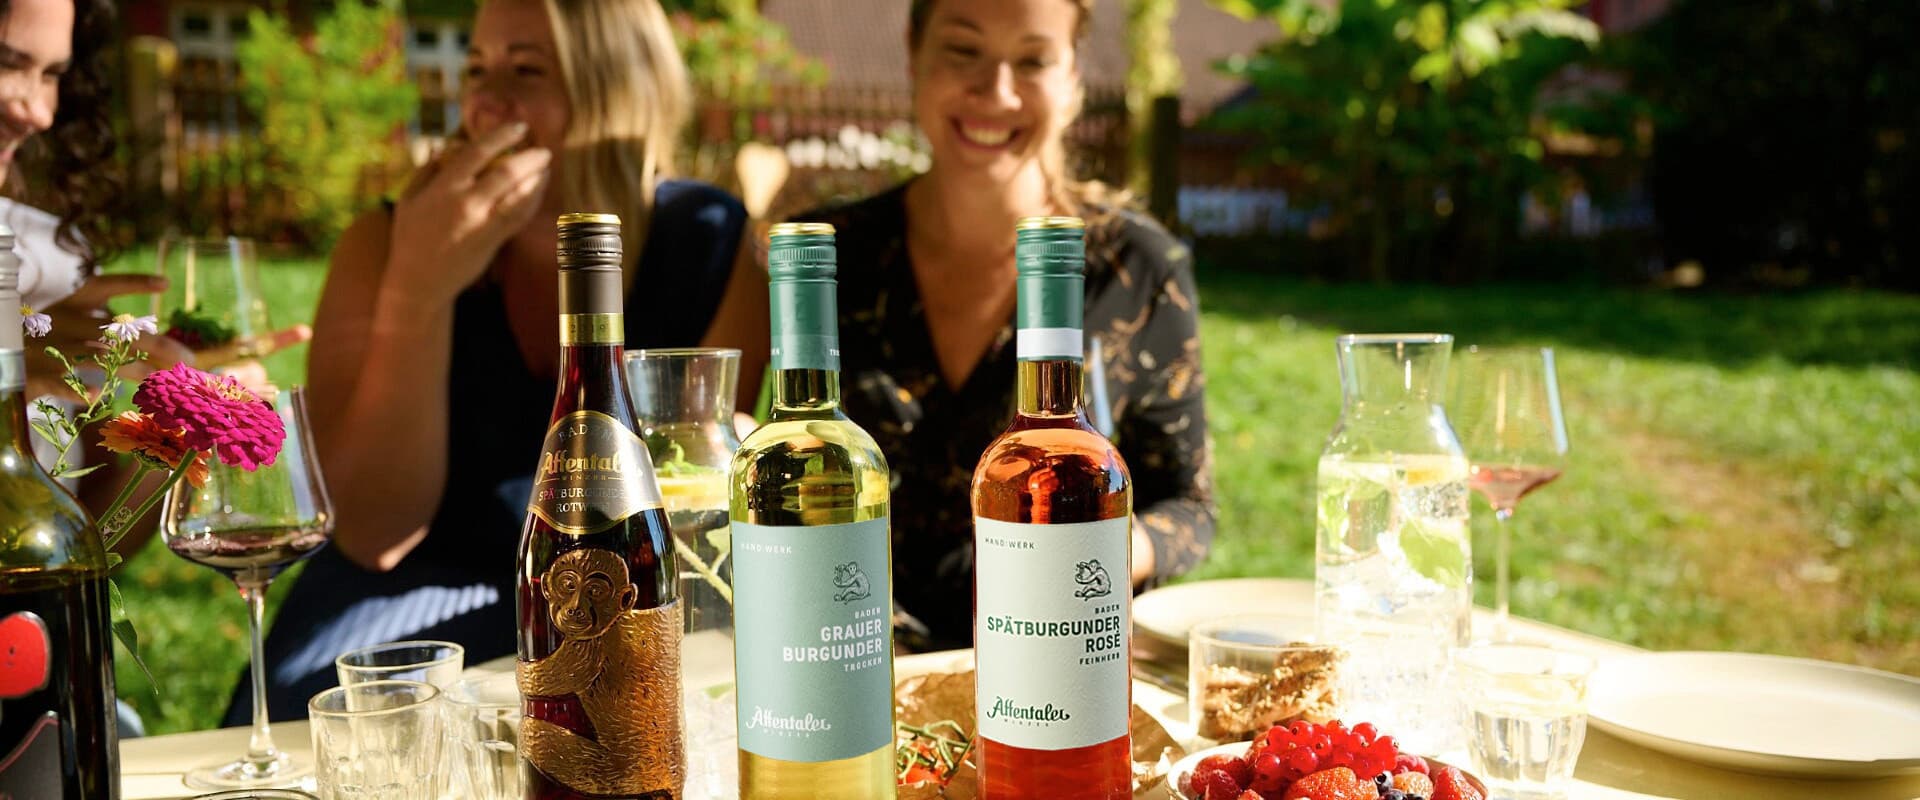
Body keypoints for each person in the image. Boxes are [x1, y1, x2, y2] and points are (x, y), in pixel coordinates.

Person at [231, 0, 767, 723]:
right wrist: (419, 287)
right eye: (477, 68)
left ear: (612, 88)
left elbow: (695, 489)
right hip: (411, 591)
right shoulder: (383, 243)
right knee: (331, 714)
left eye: (527, 71)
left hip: (615, 595)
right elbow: (373, 531)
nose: (486, 101)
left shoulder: (712, 244)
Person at [789, 0, 1214, 651]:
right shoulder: (827, 260)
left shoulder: (1138, 269)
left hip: (1063, 668)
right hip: (858, 663)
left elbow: (1188, 507)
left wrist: (1099, 556)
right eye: (964, 52)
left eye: (1034, 60)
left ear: (1072, 80)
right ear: (914, 54)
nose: (998, 91)